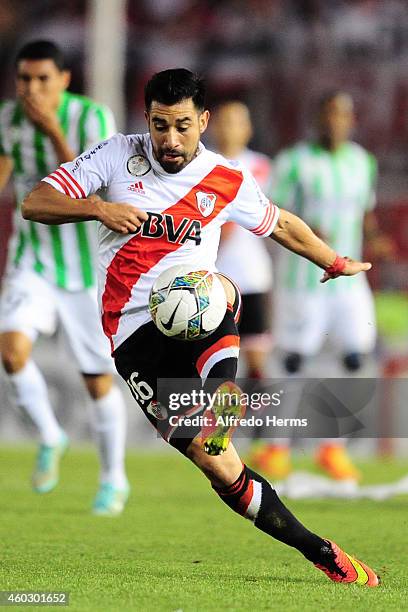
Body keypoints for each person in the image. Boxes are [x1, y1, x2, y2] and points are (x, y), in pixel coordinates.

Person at [22, 69, 379, 585]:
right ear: (145, 118)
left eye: (183, 126)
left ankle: (223, 390)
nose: (170, 139)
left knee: (218, 288)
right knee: (219, 467)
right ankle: (321, 551)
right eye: (160, 125)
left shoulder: (225, 176)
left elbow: (279, 223)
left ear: (204, 121)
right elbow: (35, 202)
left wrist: (332, 259)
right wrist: (96, 207)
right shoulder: (113, 155)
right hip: (133, 334)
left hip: (197, 306)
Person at [0, 40, 129, 515]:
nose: (31, 88)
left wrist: (52, 129)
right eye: (23, 79)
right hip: (31, 258)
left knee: (97, 380)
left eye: (42, 79)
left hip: (85, 270)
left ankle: (113, 478)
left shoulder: (92, 119)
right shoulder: (6, 120)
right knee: (11, 352)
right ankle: (51, 436)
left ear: (64, 80)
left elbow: (92, 182)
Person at [253, 91, 391, 481]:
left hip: (349, 284)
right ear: (318, 117)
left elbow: (365, 213)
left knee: (356, 358)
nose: (337, 121)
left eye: (343, 115)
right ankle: (275, 446)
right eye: (330, 113)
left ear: (351, 120)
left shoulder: (362, 162)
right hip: (304, 281)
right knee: (294, 361)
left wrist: (375, 239)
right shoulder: (294, 162)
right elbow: (275, 217)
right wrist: (313, 234)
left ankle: (331, 446)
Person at [211, 101, 273, 381]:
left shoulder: (261, 167)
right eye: (223, 121)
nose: (229, 128)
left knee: (256, 358)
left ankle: (259, 420)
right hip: (212, 277)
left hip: (251, 275)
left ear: (247, 129)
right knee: (214, 359)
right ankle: (216, 421)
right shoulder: (202, 166)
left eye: (236, 121)